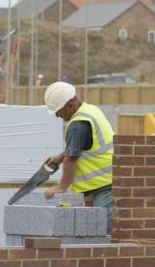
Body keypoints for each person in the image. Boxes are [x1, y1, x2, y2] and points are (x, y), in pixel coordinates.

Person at [43, 81, 114, 234]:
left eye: (58, 110)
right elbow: (84, 146)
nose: (56, 115)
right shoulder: (90, 110)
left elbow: (72, 159)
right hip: (105, 184)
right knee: (98, 232)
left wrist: (62, 186)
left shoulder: (78, 124)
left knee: (102, 235)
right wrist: (60, 157)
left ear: (70, 105)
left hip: (103, 186)